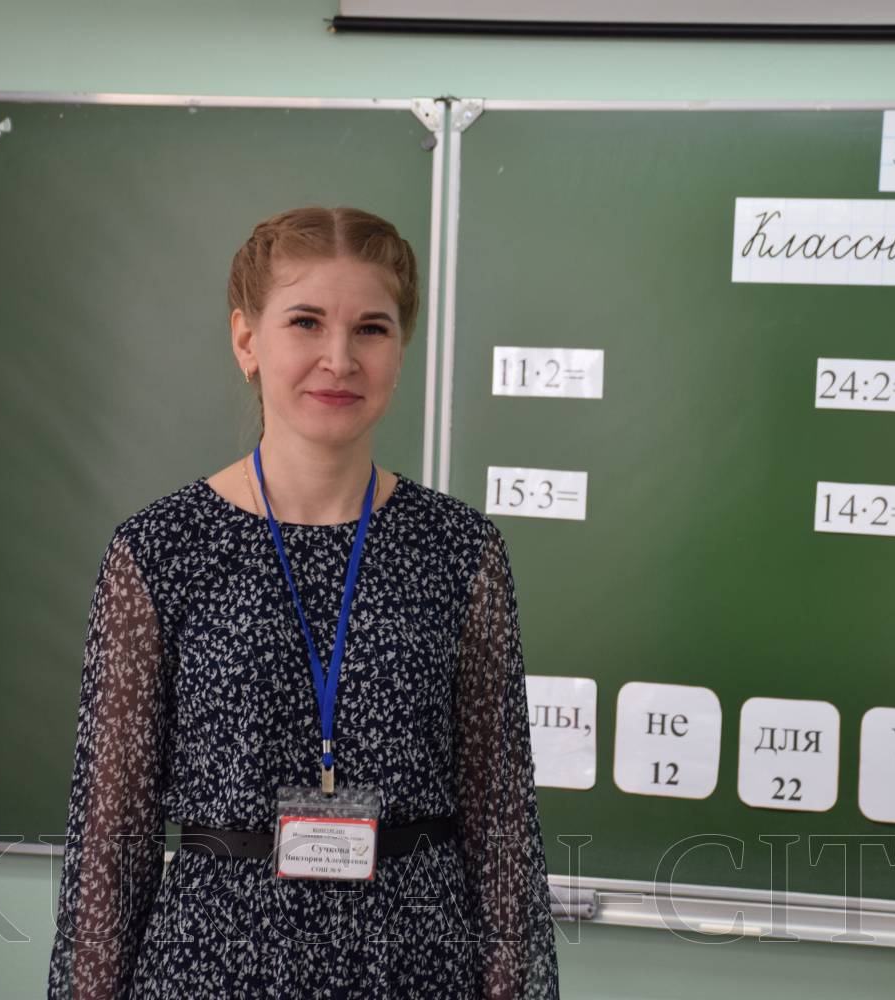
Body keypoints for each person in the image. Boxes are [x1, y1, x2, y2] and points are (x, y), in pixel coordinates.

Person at [46, 206, 561, 999]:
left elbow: (504, 831)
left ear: (400, 348)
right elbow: (109, 840)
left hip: (415, 968)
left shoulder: (461, 551)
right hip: (212, 969)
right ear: (247, 340)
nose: (339, 358)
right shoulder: (159, 550)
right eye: (306, 322)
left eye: (371, 329)